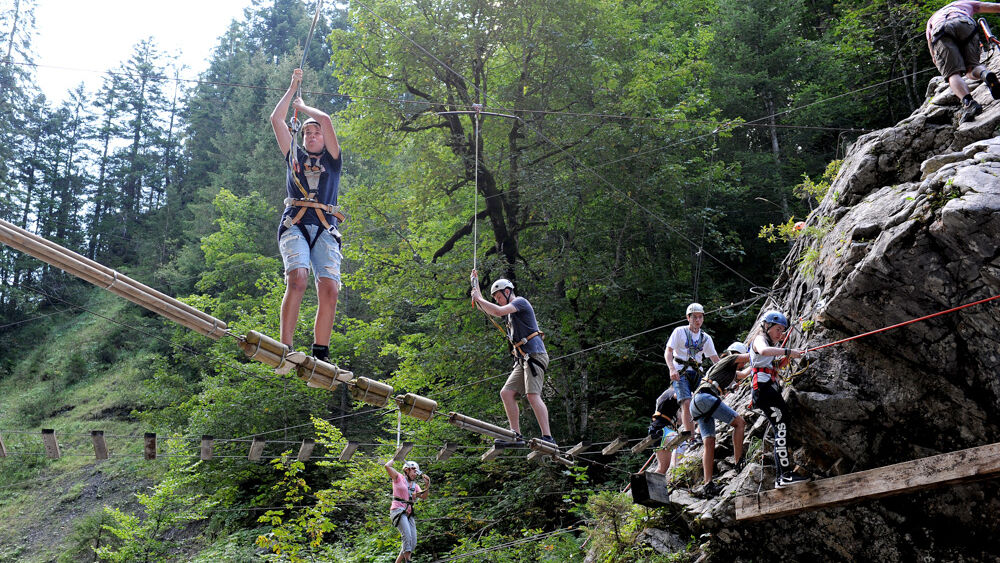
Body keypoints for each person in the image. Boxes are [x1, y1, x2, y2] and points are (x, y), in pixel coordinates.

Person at [269, 68, 344, 370]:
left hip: (326, 227)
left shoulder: (333, 161)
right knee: (297, 278)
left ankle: (321, 351)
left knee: (330, 288)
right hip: (295, 224)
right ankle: (285, 346)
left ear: (324, 139)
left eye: (317, 134)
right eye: (308, 133)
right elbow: (276, 120)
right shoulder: (294, 156)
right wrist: (291, 89)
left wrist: (303, 108)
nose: (313, 136)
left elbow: (325, 120)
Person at [470, 270, 556, 448]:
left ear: (507, 292)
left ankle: (548, 437)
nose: (497, 300)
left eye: (498, 296)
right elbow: (487, 308)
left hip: (534, 355)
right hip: (523, 359)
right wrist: (475, 285)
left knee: (533, 396)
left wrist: (479, 296)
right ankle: (515, 435)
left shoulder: (520, 302)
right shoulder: (509, 311)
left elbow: (498, 310)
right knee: (506, 393)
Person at [750, 311, 810, 489]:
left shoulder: (768, 343)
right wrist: (788, 350)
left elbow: (775, 366)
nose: (780, 334)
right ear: (766, 326)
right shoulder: (760, 339)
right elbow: (763, 351)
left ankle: (783, 475)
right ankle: (784, 475)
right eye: (777, 329)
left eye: (782, 330)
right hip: (764, 391)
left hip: (767, 391)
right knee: (781, 426)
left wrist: (789, 356)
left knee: (782, 425)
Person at [689, 342, 751, 498]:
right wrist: (774, 353)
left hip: (697, 403)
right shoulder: (730, 359)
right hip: (705, 398)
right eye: (741, 363)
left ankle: (707, 484)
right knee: (740, 423)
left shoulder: (728, 370)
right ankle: (738, 463)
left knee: (709, 443)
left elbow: (745, 374)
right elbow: (752, 357)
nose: (743, 365)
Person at [925, 1, 1000, 122]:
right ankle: (986, 75)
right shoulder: (962, 3)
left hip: (940, 30)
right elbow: (995, 7)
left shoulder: (932, 19)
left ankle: (969, 103)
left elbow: (930, 44)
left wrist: (936, 58)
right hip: (964, 22)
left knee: (953, 74)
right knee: (973, 67)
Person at [664, 303, 720, 446]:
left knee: (703, 399)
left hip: (697, 372)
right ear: (688, 318)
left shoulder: (705, 338)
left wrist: (725, 375)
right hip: (680, 371)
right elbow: (668, 351)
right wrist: (671, 368)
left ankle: (702, 432)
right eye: (694, 317)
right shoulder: (679, 332)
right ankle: (691, 438)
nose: (697, 320)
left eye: (700, 317)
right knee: (686, 402)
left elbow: (715, 359)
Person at [385, 459, 430, 563]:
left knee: (413, 542)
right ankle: (408, 561)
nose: (415, 475)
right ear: (407, 470)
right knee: (407, 536)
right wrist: (395, 458)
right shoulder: (398, 477)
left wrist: (427, 485)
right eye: (414, 472)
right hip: (398, 510)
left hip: (408, 513)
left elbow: (423, 496)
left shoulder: (415, 486)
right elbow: (387, 466)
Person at [645, 386, 689, 475]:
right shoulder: (671, 391)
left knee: (663, 468)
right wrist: (691, 394)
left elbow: (680, 420)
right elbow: (678, 395)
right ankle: (675, 471)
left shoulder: (669, 400)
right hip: (662, 428)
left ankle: (652, 486)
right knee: (681, 443)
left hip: (658, 429)